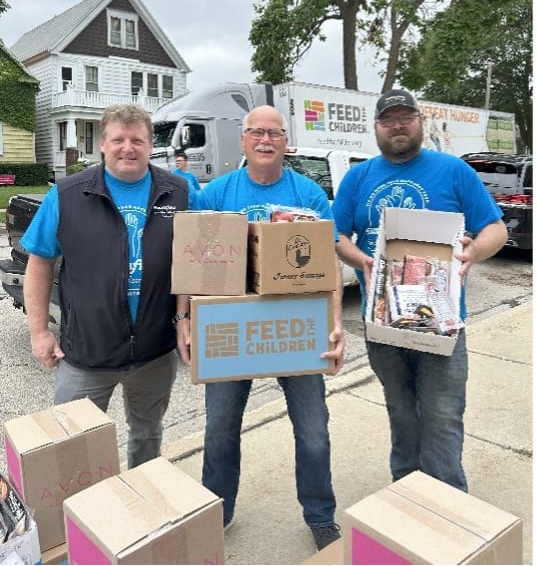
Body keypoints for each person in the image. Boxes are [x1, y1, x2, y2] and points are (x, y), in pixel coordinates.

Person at [176, 105, 345, 551]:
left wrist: (335, 324)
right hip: (233, 328)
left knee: (313, 431)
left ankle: (320, 514)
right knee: (220, 429)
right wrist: (186, 319)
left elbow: (326, 269)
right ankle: (218, 508)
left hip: (295, 328)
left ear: (286, 141)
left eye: (274, 132)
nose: (265, 140)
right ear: (243, 140)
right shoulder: (217, 194)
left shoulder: (308, 195)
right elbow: (193, 263)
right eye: (256, 132)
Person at [332, 88, 507, 492]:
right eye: (388, 119)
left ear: (419, 122)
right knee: (401, 411)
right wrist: (361, 259)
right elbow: (336, 234)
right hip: (383, 323)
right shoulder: (359, 176)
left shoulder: (452, 170)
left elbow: (495, 228)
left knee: (443, 414)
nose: (397, 125)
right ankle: (406, 494)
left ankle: (447, 500)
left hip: (440, 322)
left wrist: (473, 252)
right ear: (376, 127)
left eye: (405, 117)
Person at [21, 104, 197, 469]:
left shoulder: (179, 193)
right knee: (72, 448)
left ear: (151, 145)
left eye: (138, 140)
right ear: (102, 144)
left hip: (154, 353)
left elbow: (196, 259)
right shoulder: (68, 195)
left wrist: (184, 316)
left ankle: (143, 509)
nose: (127, 148)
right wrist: (38, 332)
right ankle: (86, 519)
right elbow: (39, 262)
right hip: (85, 356)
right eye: (118, 139)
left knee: (147, 435)